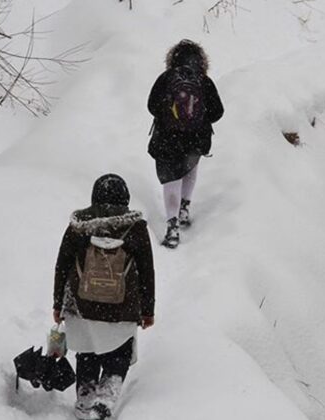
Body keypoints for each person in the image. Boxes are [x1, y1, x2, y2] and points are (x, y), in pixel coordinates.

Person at [53, 174, 155, 420]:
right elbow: (146, 270)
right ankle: (105, 399)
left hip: (82, 304)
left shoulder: (78, 226)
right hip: (123, 306)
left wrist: (58, 304)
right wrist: (148, 310)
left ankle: (85, 398)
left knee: (87, 351)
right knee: (118, 353)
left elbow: (63, 265)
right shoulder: (136, 228)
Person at [147, 39, 224, 248]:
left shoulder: (166, 78)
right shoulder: (204, 81)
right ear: (201, 61)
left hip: (166, 140)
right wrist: (198, 119)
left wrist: (170, 117)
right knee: (190, 167)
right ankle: (184, 208)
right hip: (195, 140)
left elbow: (151, 106)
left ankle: (172, 227)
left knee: (171, 180)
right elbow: (218, 112)